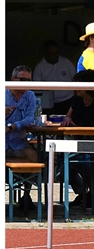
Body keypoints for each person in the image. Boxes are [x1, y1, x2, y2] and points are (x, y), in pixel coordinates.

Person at [61, 69, 94, 210]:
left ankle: (93, 194)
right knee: (63, 164)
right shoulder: (77, 99)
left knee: (84, 161)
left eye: (77, 84)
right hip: (78, 144)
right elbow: (68, 115)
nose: (75, 87)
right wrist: (67, 119)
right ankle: (83, 193)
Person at [5, 65, 38, 210]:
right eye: (23, 80)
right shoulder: (3, 92)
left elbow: (30, 118)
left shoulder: (30, 95)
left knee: (34, 155)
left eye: (29, 80)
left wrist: (13, 125)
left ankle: (26, 195)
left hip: (19, 142)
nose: (26, 83)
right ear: (13, 80)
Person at [33, 39, 76, 115]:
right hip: (49, 104)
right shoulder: (39, 67)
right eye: (51, 53)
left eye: (56, 53)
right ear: (46, 53)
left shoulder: (66, 62)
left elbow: (75, 80)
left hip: (68, 100)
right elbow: (37, 90)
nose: (54, 55)